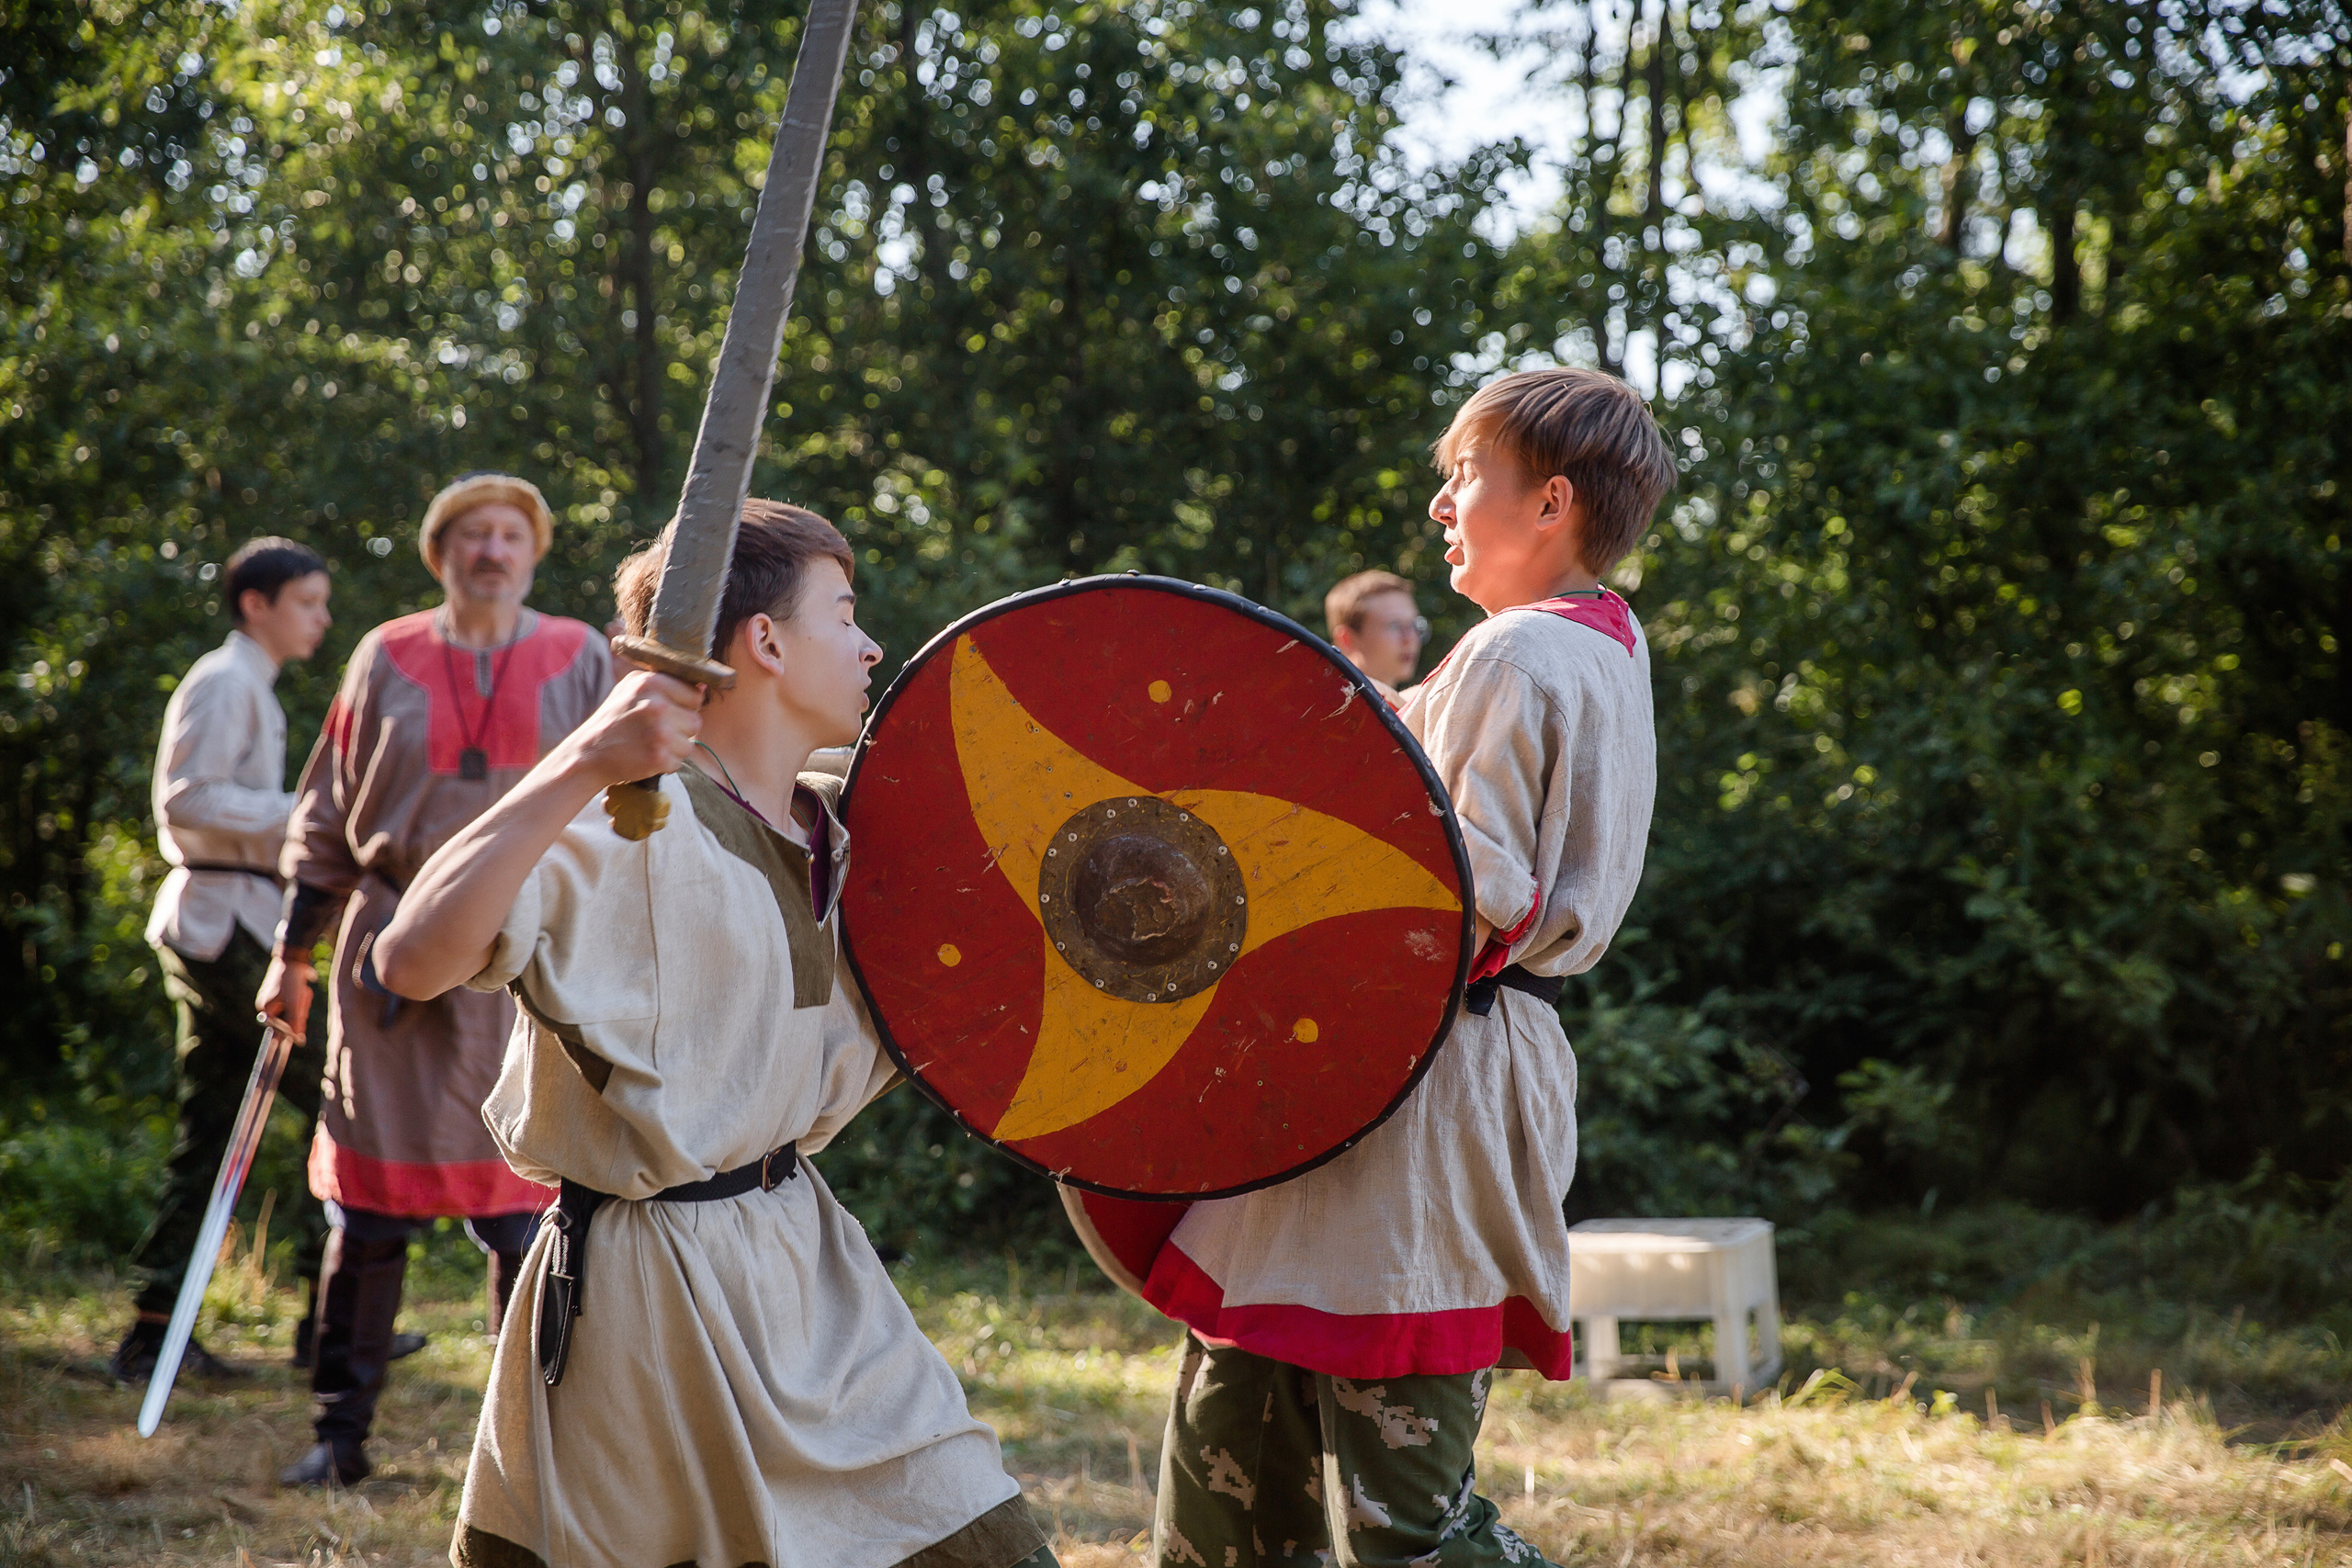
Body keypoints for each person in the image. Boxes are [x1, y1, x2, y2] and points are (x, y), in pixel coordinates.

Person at [375, 500, 1057, 1568]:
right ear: (766, 641)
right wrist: (583, 761)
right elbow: (410, 959)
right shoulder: (621, 827)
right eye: (845, 611)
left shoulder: (858, 820)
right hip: (650, 1294)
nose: (872, 642)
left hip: (807, 1260)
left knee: (971, 1531)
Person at [1136, 368, 1675, 1567]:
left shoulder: (1511, 653)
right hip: (1443, 1075)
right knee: (1241, 1443)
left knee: (1393, 1520)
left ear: (1549, 503)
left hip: (1414, 1083)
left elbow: (1450, 884)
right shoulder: (1606, 643)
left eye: (1464, 475)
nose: (1440, 502)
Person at [258, 472, 612, 1487]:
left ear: (533, 553)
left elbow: (636, 809)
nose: (493, 550)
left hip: (535, 956)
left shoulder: (581, 656)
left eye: (511, 534)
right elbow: (324, 817)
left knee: (527, 1214)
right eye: (473, 535)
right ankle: (340, 1434)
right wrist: (292, 954)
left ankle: (533, 1450)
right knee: (367, 1212)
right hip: (396, 953)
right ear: (441, 553)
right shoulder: (386, 657)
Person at [110, 538, 336, 1385]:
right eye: (309, 602)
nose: (321, 618)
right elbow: (186, 799)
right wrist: (306, 813)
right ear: (257, 603)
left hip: (232, 919)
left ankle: (156, 1326)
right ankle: (331, 1320)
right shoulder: (225, 680)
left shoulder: (253, 687)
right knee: (337, 1102)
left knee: (212, 1125)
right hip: (224, 923)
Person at [1323, 569, 1426, 691]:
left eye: (1414, 624)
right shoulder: (1326, 706)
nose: (1410, 639)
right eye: (1394, 626)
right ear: (1347, 639)